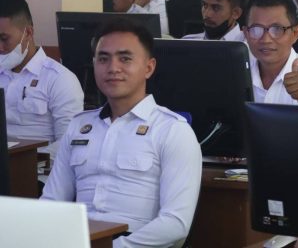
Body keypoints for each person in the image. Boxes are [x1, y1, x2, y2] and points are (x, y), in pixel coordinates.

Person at [41, 18, 202, 247]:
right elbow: (51, 202)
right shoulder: (79, 126)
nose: (112, 68)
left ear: (149, 67)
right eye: (103, 59)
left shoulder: (172, 131)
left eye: (125, 59)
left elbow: (175, 223)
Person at [0, 0, 83, 158]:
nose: (0, 47)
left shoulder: (59, 79)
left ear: (28, 33)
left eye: (4, 39)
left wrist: (24, 162)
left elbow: (69, 142)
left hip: (37, 172)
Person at [182, 0, 247, 41]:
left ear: (236, 13)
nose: (207, 14)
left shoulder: (251, 46)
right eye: (205, 5)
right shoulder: (186, 42)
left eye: (216, 8)